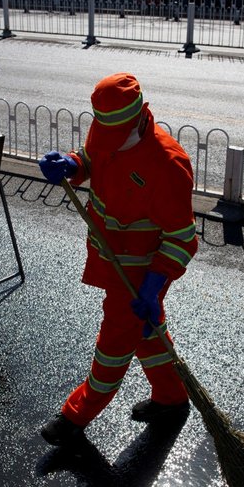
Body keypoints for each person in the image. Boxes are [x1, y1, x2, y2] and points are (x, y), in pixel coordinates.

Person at [37, 73, 199, 446]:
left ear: (139, 117)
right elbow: (92, 160)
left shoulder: (167, 164)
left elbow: (181, 238)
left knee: (114, 344)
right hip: (112, 259)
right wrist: (71, 165)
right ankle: (172, 398)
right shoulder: (107, 128)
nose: (107, 141)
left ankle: (76, 415)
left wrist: (154, 285)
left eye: (114, 135)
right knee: (146, 332)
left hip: (142, 272)